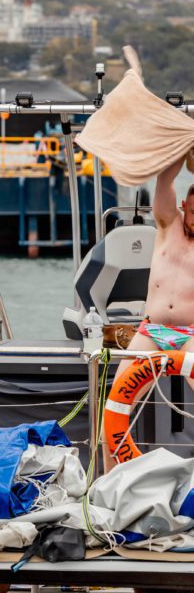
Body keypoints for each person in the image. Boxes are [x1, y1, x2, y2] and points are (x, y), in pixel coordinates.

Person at [104, 155, 194, 469]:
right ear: (184, 206)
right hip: (151, 330)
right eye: (193, 210)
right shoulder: (168, 226)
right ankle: (106, 479)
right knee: (115, 402)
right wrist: (180, 147)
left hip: (191, 335)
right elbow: (164, 182)